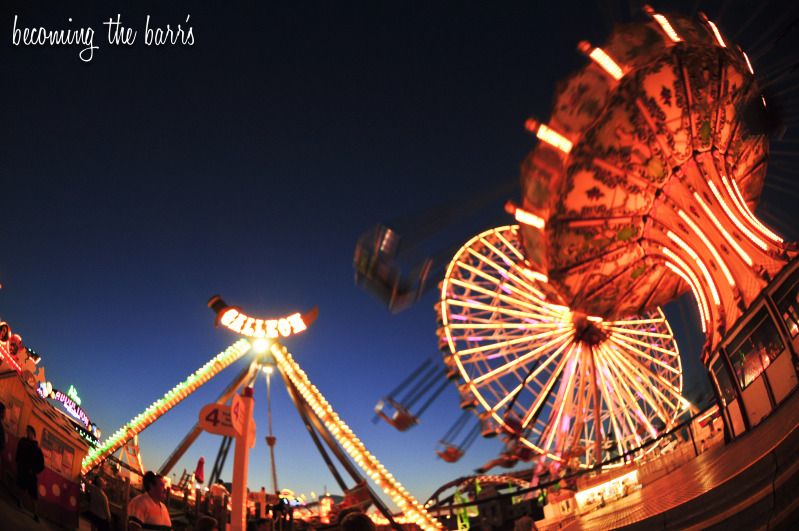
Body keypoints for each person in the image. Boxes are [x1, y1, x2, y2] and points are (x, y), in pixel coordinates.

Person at [15, 424, 45, 522]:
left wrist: (34, 470)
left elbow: (41, 465)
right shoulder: (23, 442)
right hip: (23, 470)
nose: (27, 433)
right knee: (22, 488)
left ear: (33, 434)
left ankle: (35, 514)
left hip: (31, 474)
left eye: (29, 432)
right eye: (27, 431)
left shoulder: (36, 448)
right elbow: (19, 453)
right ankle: (19, 500)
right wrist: (18, 463)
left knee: (33, 495)